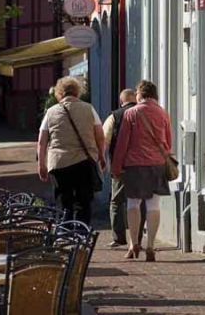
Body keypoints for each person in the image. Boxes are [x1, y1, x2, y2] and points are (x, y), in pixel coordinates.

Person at [111, 80, 172, 262]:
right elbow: (168, 143)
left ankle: (133, 243)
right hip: (157, 164)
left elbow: (122, 144)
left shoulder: (131, 113)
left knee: (133, 204)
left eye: (136, 92)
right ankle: (151, 246)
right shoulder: (163, 113)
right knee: (153, 206)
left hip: (134, 165)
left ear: (140, 94)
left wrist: (116, 168)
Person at [37, 77, 106, 225]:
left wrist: (41, 165)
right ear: (77, 91)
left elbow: (42, 141)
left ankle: (64, 237)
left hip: (59, 163)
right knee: (83, 202)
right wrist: (101, 156)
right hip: (84, 161)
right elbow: (100, 136)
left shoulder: (50, 112)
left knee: (64, 203)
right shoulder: (89, 108)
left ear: (59, 93)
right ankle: (81, 237)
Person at [103, 89, 146, 248]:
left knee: (116, 202)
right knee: (139, 202)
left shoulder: (114, 116)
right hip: (142, 165)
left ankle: (118, 237)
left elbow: (105, 141)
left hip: (120, 165)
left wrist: (104, 161)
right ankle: (138, 239)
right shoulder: (144, 114)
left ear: (121, 102)